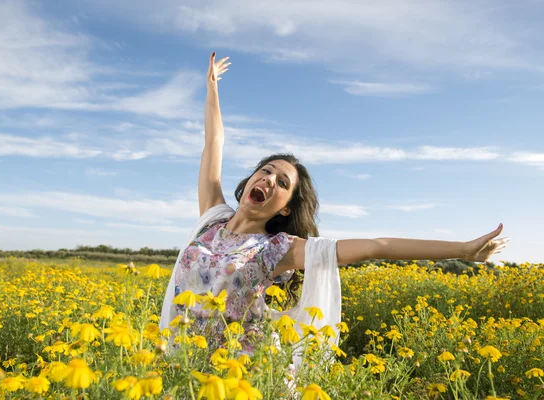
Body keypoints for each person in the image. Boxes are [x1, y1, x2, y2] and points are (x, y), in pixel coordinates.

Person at [160, 52, 510, 356]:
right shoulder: (211, 220)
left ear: (285, 208)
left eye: (282, 183)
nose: (268, 179)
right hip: (186, 365)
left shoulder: (277, 249)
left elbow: (376, 247)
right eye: (265, 171)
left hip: (243, 374)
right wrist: (212, 89)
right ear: (250, 180)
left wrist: (463, 250)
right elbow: (214, 142)